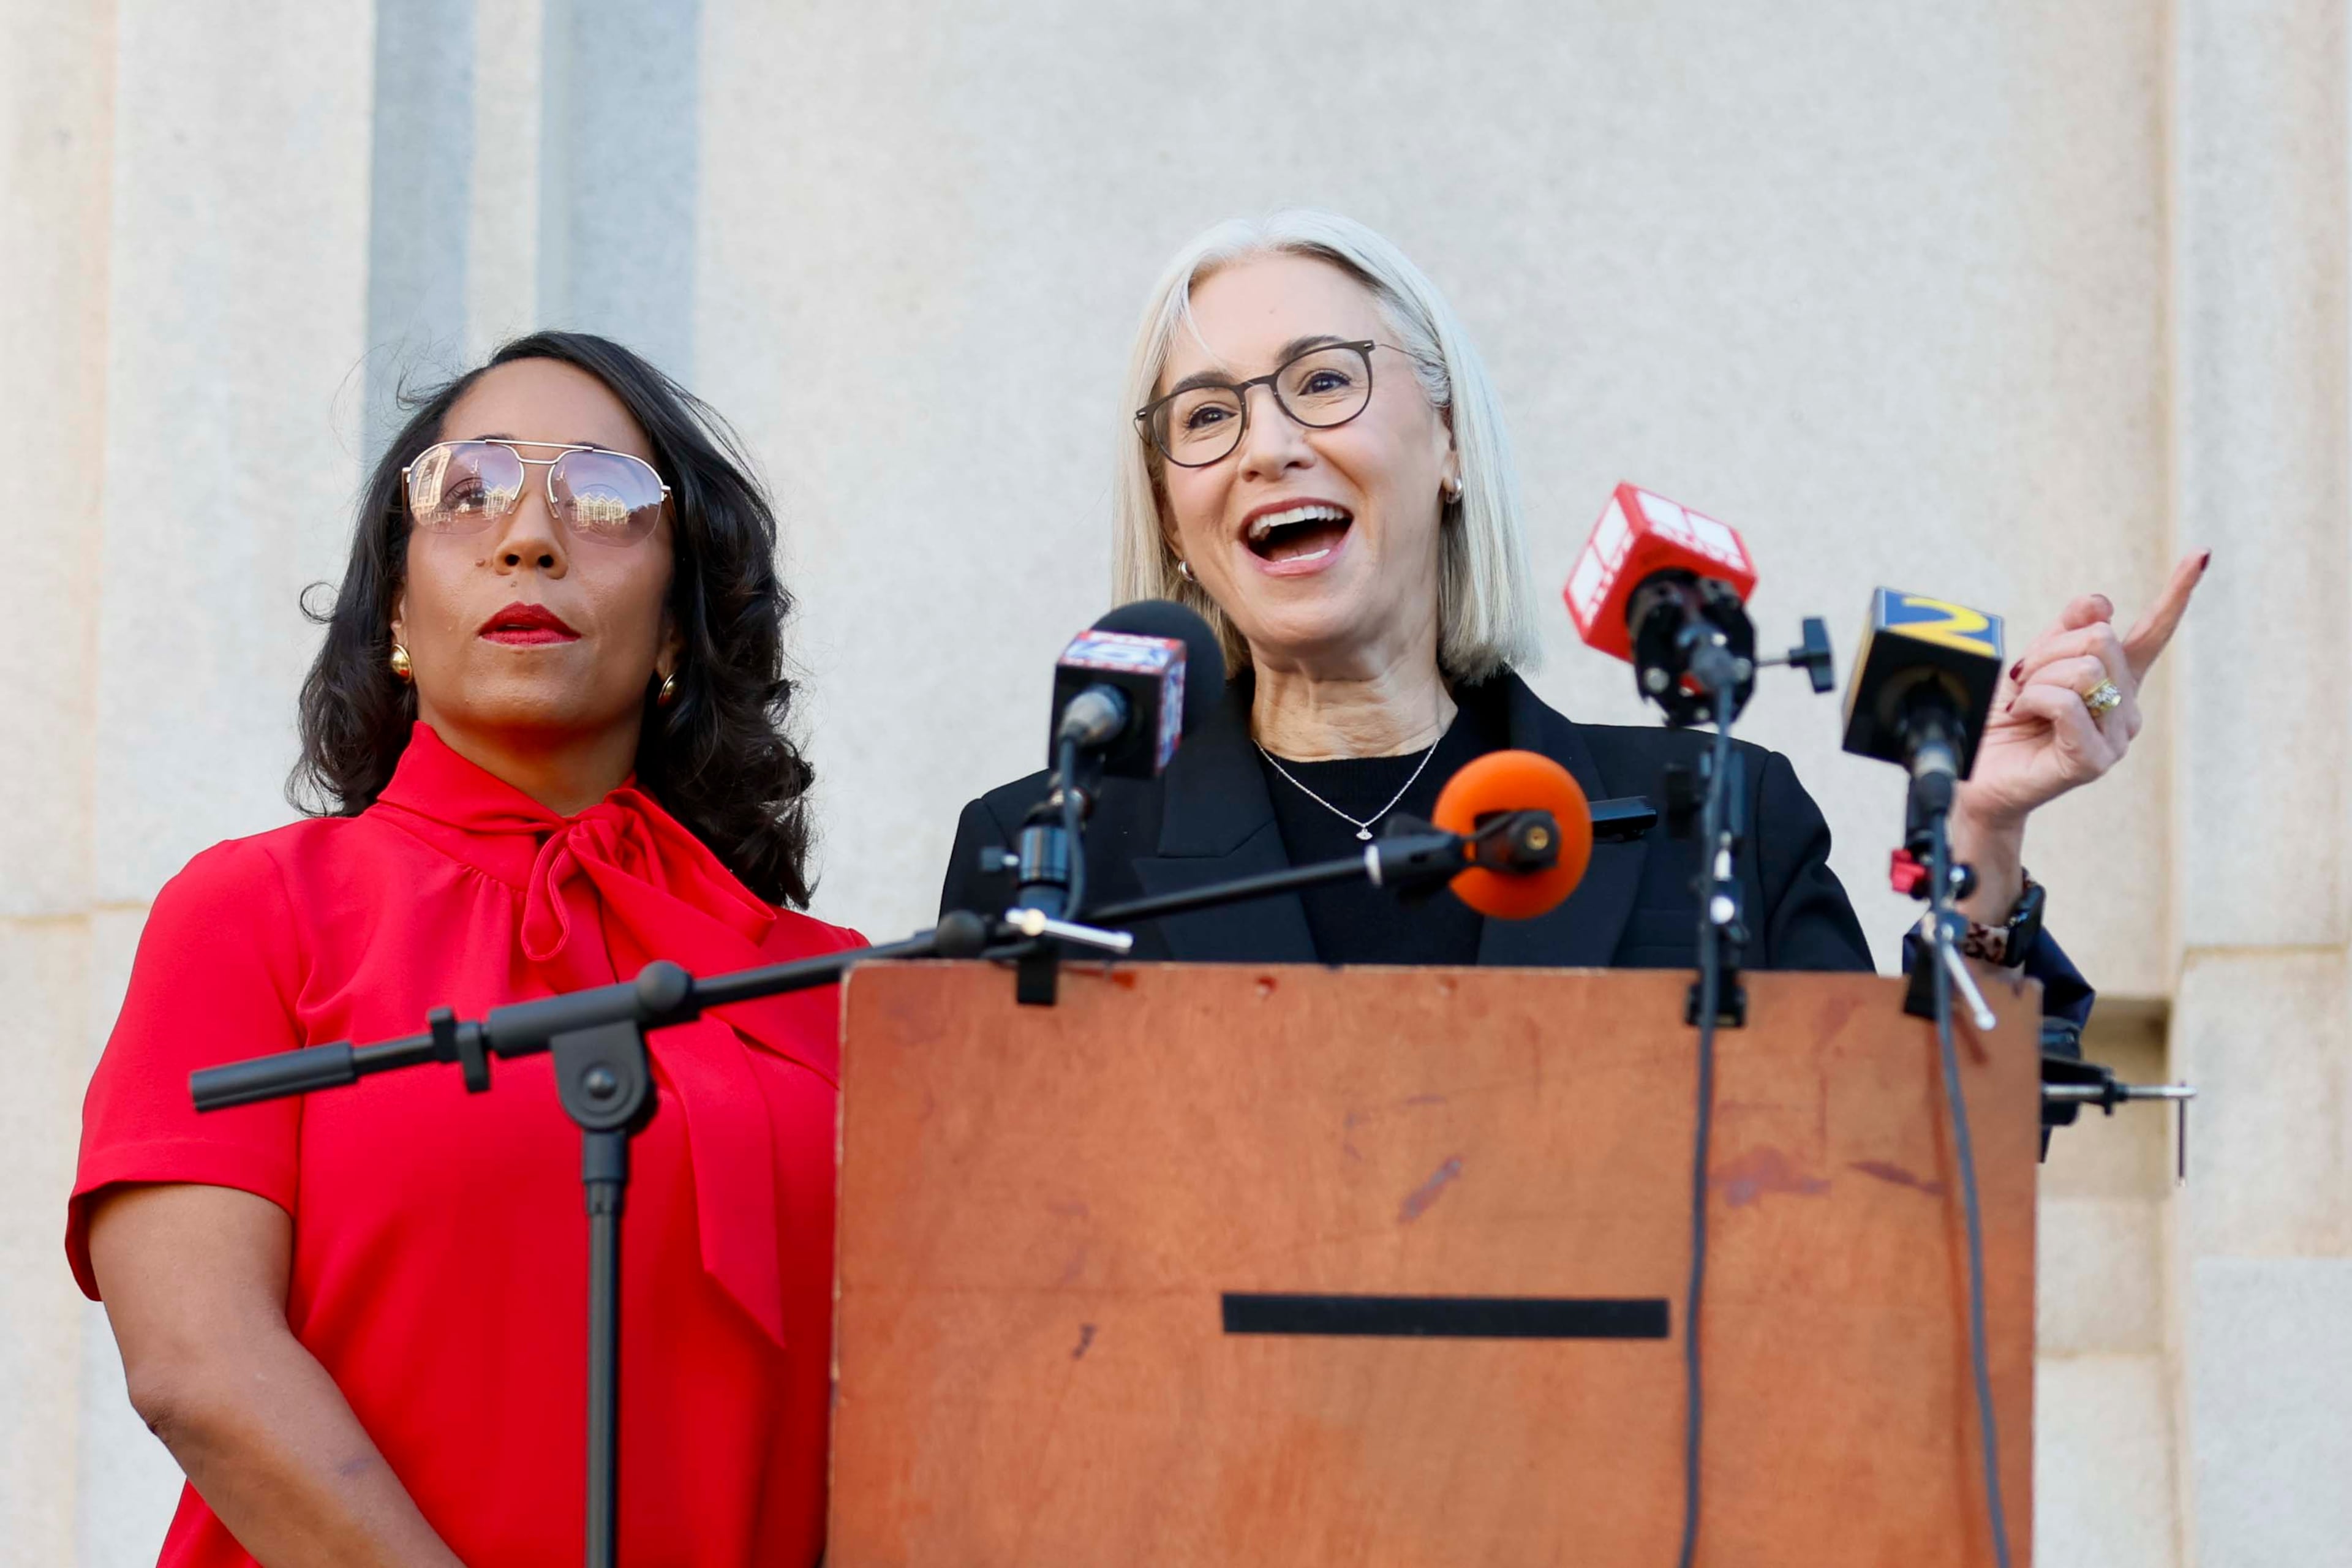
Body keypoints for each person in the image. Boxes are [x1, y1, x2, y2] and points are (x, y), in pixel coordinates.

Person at [942, 211, 2203, 1009]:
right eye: (1208, 416)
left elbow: (1905, 1196)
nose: (1268, 444)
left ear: (1446, 443)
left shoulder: (1719, 822)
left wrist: (1980, 832)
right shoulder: (1049, 858)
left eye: (1323, 381)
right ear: (1173, 511)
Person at [70, 333, 856, 1567]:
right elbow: (193, 1361)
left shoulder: (834, 987)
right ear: (394, 605)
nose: (530, 537)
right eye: (467, 490)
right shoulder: (256, 910)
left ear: (674, 628)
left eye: (605, 498)